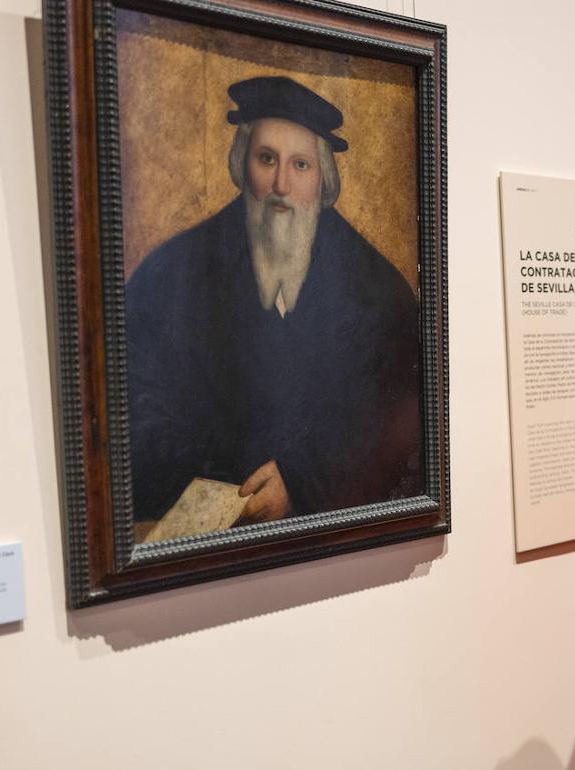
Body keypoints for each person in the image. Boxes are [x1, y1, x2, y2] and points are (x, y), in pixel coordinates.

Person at [126, 76, 420, 527]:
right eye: (267, 159)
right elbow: (137, 405)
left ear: (323, 179)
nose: (281, 184)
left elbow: (395, 423)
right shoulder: (173, 273)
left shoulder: (377, 290)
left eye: (300, 165)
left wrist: (300, 483)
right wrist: (223, 488)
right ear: (243, 163)